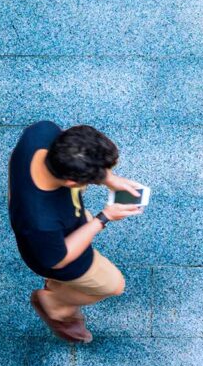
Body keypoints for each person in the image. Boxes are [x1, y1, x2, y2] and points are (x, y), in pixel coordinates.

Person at [8, 121, 145, 343]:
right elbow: (59, 259)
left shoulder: (42, 132)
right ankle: (55, 304)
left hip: (56, 230)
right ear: (71, 181)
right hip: (55, 254)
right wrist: (104, 218)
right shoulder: (41, 221)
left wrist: (109, 179)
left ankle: (57, 288)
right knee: (114, 285)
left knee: (84, 221)